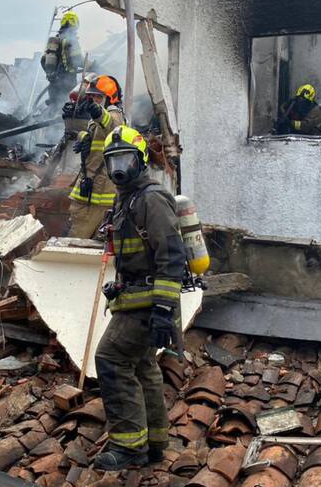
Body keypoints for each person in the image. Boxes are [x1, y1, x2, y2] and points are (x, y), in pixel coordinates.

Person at [93, 125, 185, 471]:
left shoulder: (150, 197)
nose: (119, 167)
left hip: (148, 304)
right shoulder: (127, 196)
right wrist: (120, 286)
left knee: (112, 359)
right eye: (113, 160)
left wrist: (163, 308)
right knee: (143, 365)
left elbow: (171, 256)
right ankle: (155, 443)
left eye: (125, 159)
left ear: (140, 160)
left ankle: (129, 447)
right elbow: (135, 253)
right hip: (135, 297)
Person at [63, 75, 125, 239]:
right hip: (92, 192)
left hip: (96, 195)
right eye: (92, 96)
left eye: (99, 97)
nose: (95, 100)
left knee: (75, 244)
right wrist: (83, 137)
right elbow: (99, 136)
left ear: (110, 98)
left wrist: (97, 111)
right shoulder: (95, 120)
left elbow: (111, 126)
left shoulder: (114, 115)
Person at [42, 11, 83, 108]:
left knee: (53, 108)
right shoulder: (71, 39)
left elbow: (43, 60)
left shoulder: (56, 40)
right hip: (67, 84)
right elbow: (78, 59)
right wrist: (94, 65)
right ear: (75, 22)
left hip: (53, 85)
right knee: (65, 111)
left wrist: (51, 74)